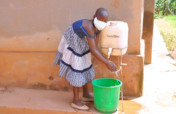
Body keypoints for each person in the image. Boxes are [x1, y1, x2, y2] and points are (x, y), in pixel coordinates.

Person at [54, 8, 117, 110]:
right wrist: (106, 62)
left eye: (105, 20)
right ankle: (75, 101)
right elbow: (93, 49)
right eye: (101, 20)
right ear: (94, 17)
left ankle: (86, 94)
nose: (103, 22)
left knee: (86, 63)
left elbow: (94, 47)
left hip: (81, 41)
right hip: (72, 39)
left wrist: (105, 60)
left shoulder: (99, 27)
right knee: (77, 67)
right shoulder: (88, 26)